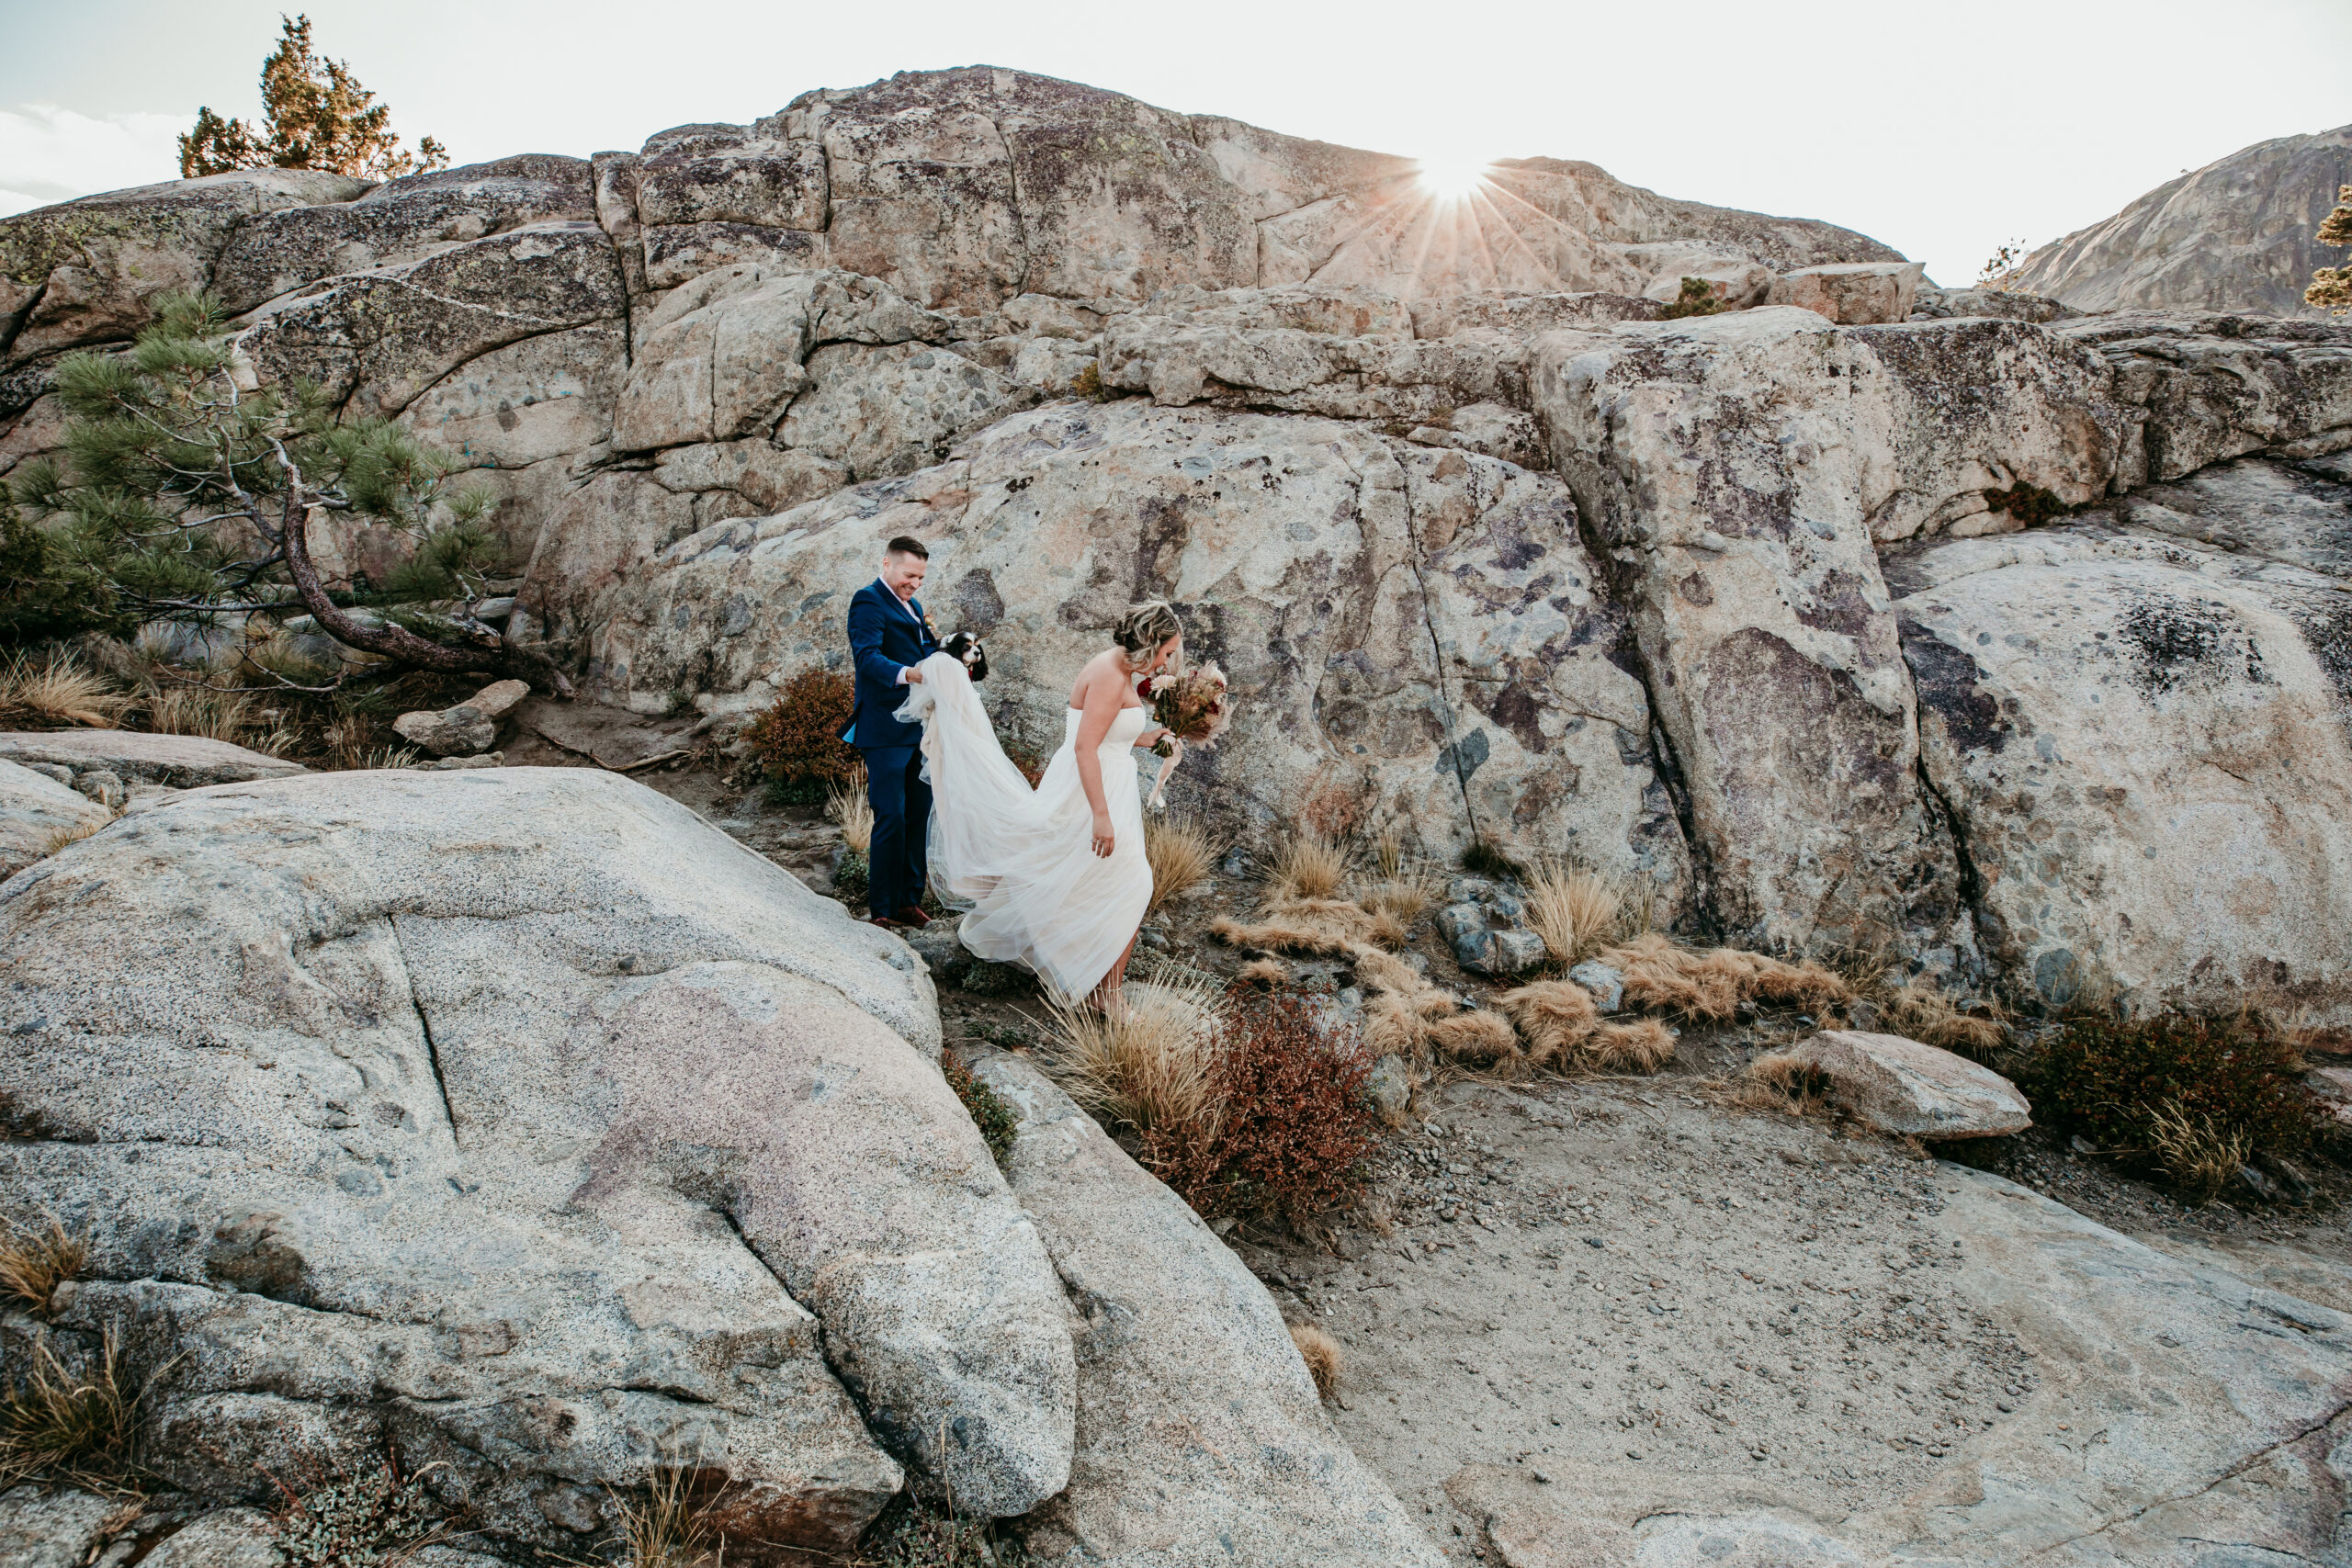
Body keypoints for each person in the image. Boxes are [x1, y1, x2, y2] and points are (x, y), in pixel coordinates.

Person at [896, 601, 1183, 1012]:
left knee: (1096, 879)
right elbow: (1084, 748)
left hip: (1107, 782)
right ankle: (1106, 994)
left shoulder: (1117, 668)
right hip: (1090, 790)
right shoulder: (1108, 674)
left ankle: (1095, 978)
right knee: (1133, 882)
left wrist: (1144, 737)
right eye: (1167, 650)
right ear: (1149, 642)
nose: (1166, 660)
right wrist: (1101, 816)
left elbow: (1101, 735)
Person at [844, 536, 941, 928]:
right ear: (887, 564)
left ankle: (908, 900)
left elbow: (925, 649)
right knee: (891, 816)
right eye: (909, 574)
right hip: (884, 727)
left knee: (920, 814)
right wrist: (911, 674)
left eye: (920, 577)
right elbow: (867, 657)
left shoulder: (914, 606)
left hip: (920, 728)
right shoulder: (867, 600)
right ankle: (882, 908)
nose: (915, 583)